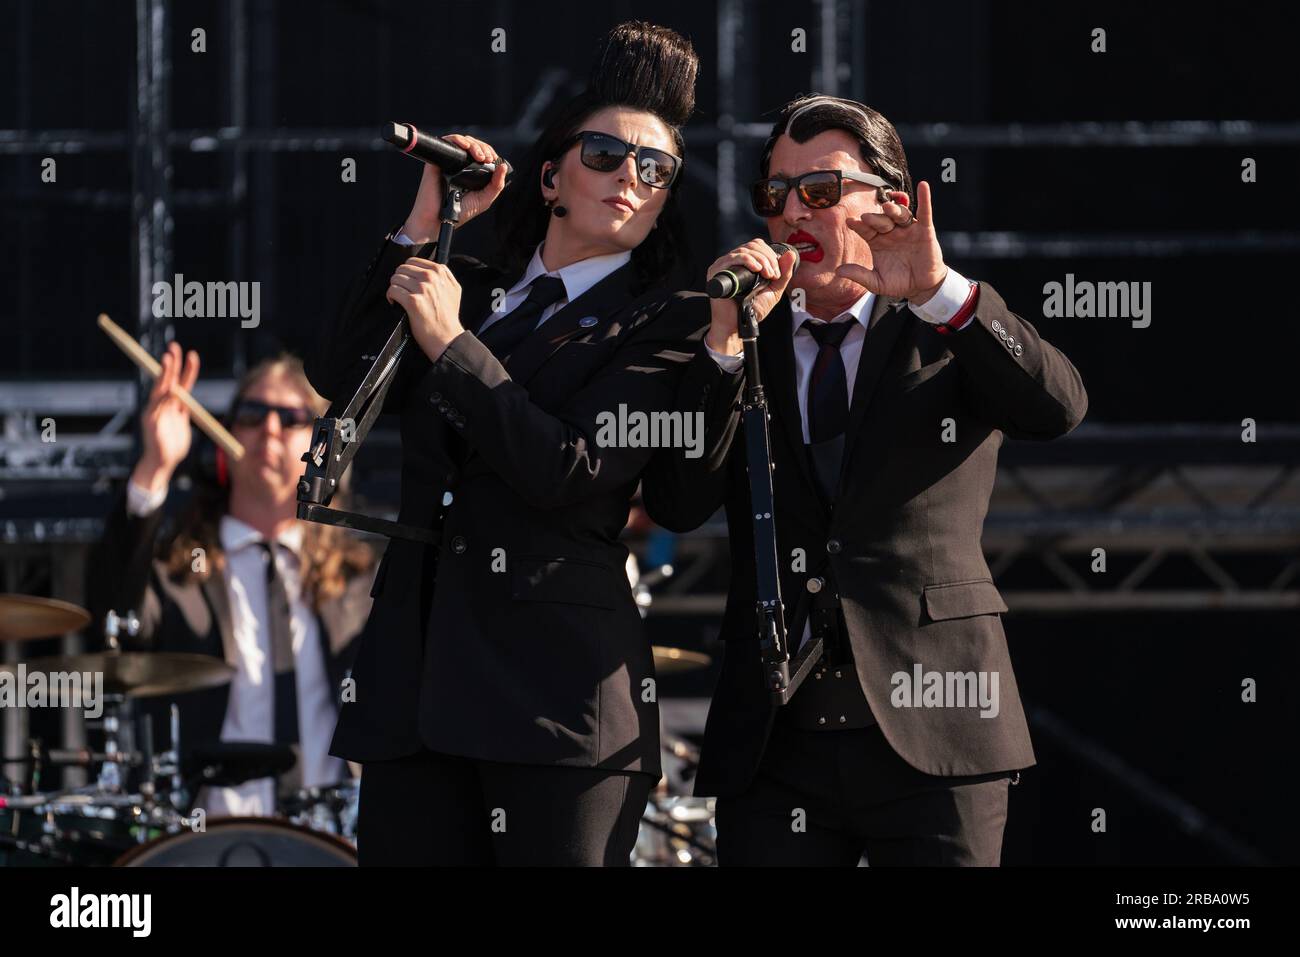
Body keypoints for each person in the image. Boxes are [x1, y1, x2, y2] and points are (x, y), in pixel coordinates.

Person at [643, 94, 1089, 866]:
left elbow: (1057, 406)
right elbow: (676, 502)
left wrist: (940, 292)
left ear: (890, 201)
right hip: (776, 740)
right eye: (775, 195)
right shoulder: (738, 329)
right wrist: (721, 349)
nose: (791, 213)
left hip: (939, 725)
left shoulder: (944, 321)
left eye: (819, 191)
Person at [307, 22, 710, 865]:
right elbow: (341, 375)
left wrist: (452, 346)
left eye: (656, 169)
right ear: (552, 175)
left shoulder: (665, 324)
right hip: (416, 688)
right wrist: (426, 223)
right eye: (605, 153)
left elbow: (573, 467)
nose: (631, 178)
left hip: (556, 702)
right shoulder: (473, 288)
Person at [87, 346, 375, 817]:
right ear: (223, 441)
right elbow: (112, 620)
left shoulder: (360, 583)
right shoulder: (176, 573)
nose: (269, 430)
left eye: (291, 417)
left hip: (330, 838)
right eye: (252, 414)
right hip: (208, 833)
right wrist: (154, 467)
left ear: (323, 448)